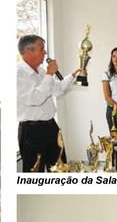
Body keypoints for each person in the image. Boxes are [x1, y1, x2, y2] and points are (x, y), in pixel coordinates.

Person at [16, 34, 85, 172]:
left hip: (50, 127)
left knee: (60, 168)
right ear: (29, 52)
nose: (45, 53)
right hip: (31, 131)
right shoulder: (18, 74)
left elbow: (57, 90)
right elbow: (36, 99)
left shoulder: (41, 71)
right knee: (35, 173)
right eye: (42, 49)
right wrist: (49, 74)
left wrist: (73, 75)